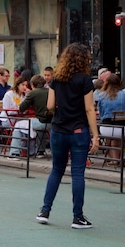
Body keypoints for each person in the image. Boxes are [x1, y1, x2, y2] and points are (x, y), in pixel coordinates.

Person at [36, 42, 99, 229]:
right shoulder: (85, 80)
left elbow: (49, 106)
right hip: (79, 130)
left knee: (56, 170)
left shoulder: (57, 79)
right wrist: (95, 135)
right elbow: (89, 109)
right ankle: (77, 217)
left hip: (58, 129)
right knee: (78, 173)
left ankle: (44, 210)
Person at [12, 74, 52, 158]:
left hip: (41, 122)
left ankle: (14, 152)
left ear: (32, 85)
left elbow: (22, 108)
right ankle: (40, 151)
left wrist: (29, 97)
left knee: (18, 125)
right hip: (52, 123)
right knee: (40, 129)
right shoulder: (50, 91)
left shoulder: (33, 93)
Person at [95, 73, 125, 163]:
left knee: (111, 136)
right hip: (121, 129)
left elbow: (100, 113)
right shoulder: (124, 94)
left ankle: (113, 159)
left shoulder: (101, 95)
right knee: (117, 135)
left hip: (105, 128)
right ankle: (116, 159)